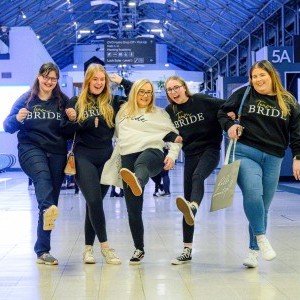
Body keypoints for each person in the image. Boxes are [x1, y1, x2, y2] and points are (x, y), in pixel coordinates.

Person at [218, 60, 300, 268]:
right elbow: (222, 112)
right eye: (254, 77)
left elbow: (297, 131)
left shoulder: (288, 101)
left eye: (261, 75)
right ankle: (262, 238)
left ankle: (253, 251)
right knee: (253, 193)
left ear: (272, 75)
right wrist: (229, 125)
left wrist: (298, 157)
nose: (257, 80)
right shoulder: (245, 94)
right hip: (245, 152)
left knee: (263, 206)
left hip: (274, 157)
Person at [61, 64, 132, 265]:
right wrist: (82, 122)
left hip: (107, 159)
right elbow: (64, 130)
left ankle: (87, 249)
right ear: (88, 81)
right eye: (95, 79)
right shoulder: (76, 101)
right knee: (93, 201)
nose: (99, 83)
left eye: (102, 79)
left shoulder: (113, 101)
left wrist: (123, 82)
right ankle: (106, 248)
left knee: (96, 205)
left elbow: (140, 96)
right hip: (84, 157)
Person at [3, 62, 69, 265]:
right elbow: (7, 126)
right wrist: (17, 118)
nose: (49, 81)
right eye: (46, 77)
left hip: (57, 152)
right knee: (42, 178)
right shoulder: (26, 99)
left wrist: (72, 119)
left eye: (53, 78)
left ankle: (42, 251)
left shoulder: (62, 102)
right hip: (30, 148)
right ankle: (48, 208)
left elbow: (68, 132)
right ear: (39, 77)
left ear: (57, 80)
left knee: (50, 198)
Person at [115, 78, 182, 264]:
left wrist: (172, 155)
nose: (145, 95)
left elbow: (174, 137)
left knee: (142, 165)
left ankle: (138, 180)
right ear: (134, 92)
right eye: (141, 92)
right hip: (127, 157)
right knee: (133, 210)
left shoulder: (159, 113)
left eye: (149, 92)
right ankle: (139, 248)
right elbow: (115, 135)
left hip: (152, 153)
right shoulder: (123, 112)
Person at [165, 75, 224, 265]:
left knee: (198, 177)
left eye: (176, 88)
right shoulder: (169, 111)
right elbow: (159, 129)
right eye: (169, 90)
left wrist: (231, 116)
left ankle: (193, 206)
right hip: (190, 154)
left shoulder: (201, 100)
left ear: (184, 87)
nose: (174, 92)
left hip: (210, 149)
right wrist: (171, 139)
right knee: (186, 204)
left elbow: (226, 105)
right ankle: (186, 250)